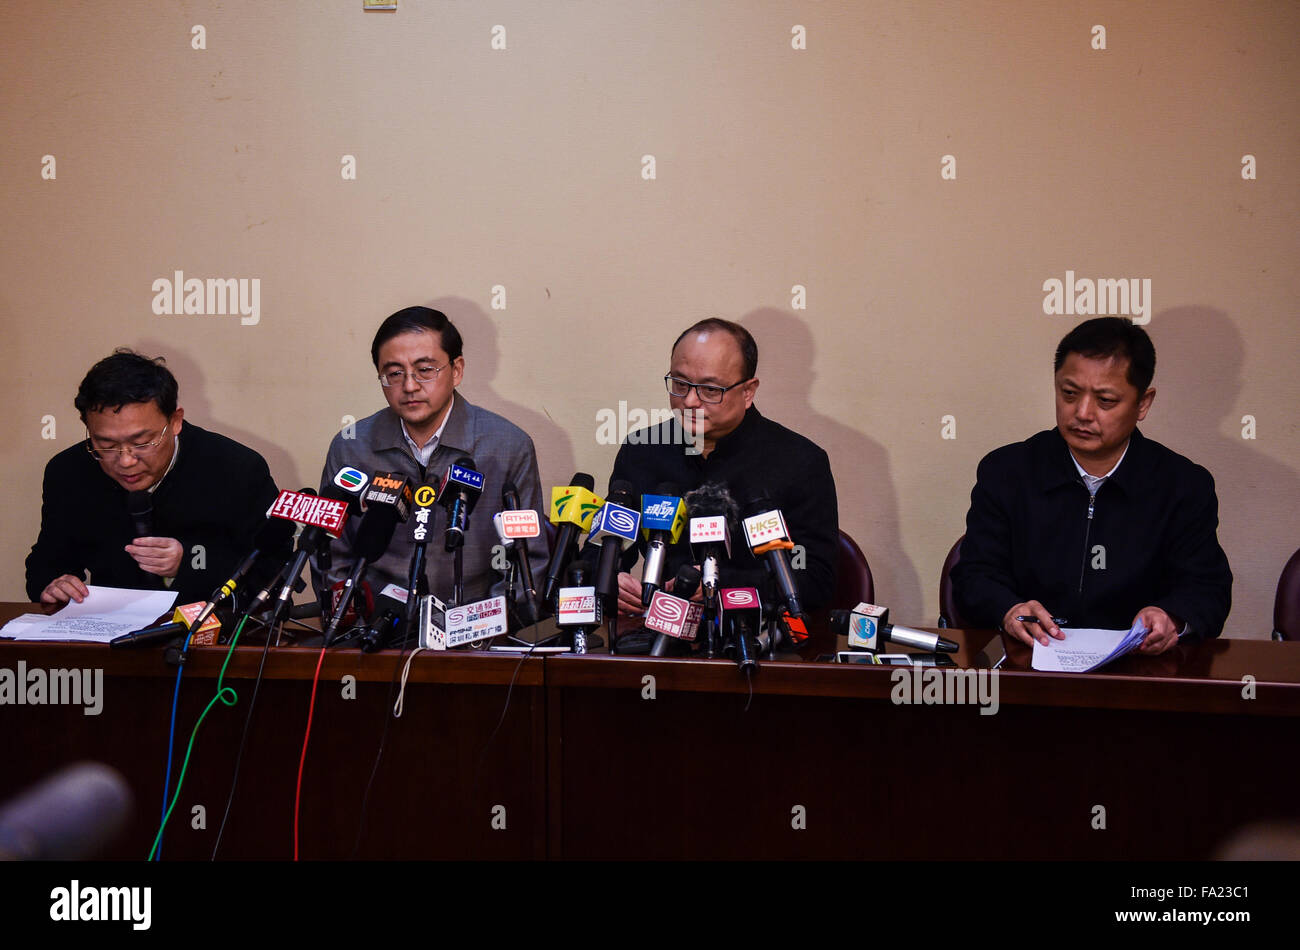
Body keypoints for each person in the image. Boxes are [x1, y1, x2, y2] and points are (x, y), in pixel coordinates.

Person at [952, 317, 1233, 653]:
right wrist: (1009, 609)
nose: (1082, 413)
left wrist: (1171, 616)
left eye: (1105, 401)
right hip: (1028, 663)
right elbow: (974, 574)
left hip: (1137, 673)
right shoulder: (1006, 471)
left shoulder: (1183, 486)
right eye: (1069, 394)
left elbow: (1208, 588)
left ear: (1143, 403)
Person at [599, 318, 839, 615]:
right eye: (679, 383)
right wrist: (610, 577)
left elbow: (816, 583)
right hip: (661, 637)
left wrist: (722, 586)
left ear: (748, 391)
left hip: (759, 638)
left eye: (710, 390)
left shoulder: (800, 462)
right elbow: (604, 547)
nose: (689, 401)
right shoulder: (642, 451)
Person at [314, 306, 547, 610]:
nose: (409, 386)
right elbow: (330, 553)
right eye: (394, 373)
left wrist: (486, 630)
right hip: (374, 629)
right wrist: (352, 619)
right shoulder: (351, 447)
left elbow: (529, 560)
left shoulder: (508, 446)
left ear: (457, 370)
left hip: (476, 629)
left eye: (425, 370)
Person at [26, 350, 284, 606]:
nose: (125, 460)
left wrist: (191, 561)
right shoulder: (68, 471)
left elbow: (274, 573)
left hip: (214, 634)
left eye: (142, 441)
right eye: (105, 444)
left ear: (175, 422)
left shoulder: (237, 468)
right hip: (108, 634)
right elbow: (46, 565)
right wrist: (54, 584)